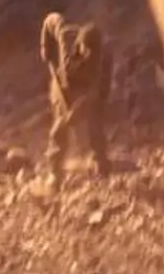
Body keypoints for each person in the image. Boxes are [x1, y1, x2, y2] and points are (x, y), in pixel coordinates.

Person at [40, 11, 111, 182]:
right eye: (85, 51)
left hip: (88, 87)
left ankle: (100, 164)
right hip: (63, 82)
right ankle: (55, 171)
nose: (88, 56)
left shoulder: (104, 57)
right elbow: (50, 19)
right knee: (61, 124)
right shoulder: (65, 35)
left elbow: (100, 91)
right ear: (79, 44)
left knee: (96, 118)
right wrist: (46, 49)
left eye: (92, 54)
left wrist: (82, 108)